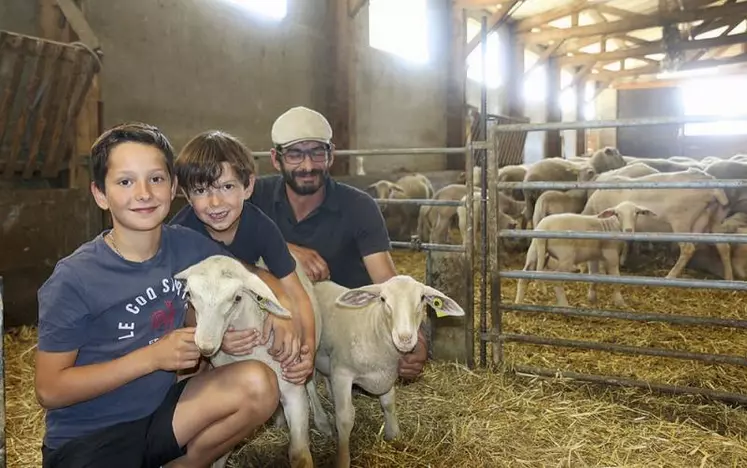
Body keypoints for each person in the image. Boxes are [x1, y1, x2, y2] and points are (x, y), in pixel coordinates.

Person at [34, 122, 292, 468]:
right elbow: (49, 389)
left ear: (173, 188)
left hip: (164, 414)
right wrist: (153, 357)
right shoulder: (75, 278)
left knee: (259, 384)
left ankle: (187, 462)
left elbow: (244, 276)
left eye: (155, 179)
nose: (144, 193)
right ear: (99, 193)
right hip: (90, 438)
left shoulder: (187, 245)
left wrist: (281, 314)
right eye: (125, 181)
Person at [249, 106, 428, 380]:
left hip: (349, 341)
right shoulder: (253, 197)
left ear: (331, 154)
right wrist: (283, 248)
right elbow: (216, 245)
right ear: (276, 158)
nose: (307, 166)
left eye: (317, 153)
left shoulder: (359, 207)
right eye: (295, 154)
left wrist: (419, 341)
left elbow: (390, 282)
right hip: (280, 329)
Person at [168, 130, 315, 383]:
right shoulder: (180, 236)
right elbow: (175, 304)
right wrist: (212, 335)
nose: (215, 202)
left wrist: (307, 348)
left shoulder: (261, 227)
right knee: (186, 368)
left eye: (227, 187)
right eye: (201, 190)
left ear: (248, 187)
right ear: (186, 194)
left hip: (235, 307)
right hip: (197, 321)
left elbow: (296, 292)